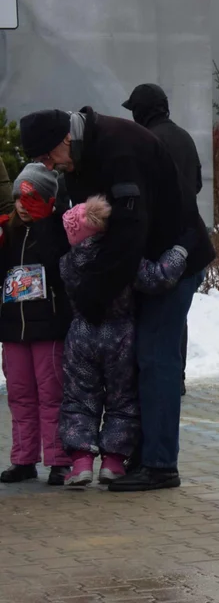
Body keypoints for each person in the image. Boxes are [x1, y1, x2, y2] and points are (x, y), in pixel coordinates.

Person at [18, 107, 215, 491]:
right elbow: (89, 229)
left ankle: (160, 465)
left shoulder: (117, 148)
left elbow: (128, 230)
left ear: (64, 140)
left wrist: (96, 293)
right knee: (142, 361)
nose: (49, 166)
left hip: (174, 259)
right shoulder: (83, 154)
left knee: (155, 358)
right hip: (143, 263)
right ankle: (141, 456)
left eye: (47, 157)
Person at [57, 196, 191, 486]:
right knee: (123, 400)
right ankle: (113, 462)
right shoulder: (120, 258)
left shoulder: (67, 263)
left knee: (79, 399)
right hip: (119, 336)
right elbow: (158, 278)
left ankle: (80, 463)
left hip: (80, 335)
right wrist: (179, 252)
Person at [122, 83, 205, 397]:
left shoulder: (148, 140)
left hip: (158, 243)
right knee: (176, 316)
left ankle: (161, 381)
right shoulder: (183, 136)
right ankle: (177, 376)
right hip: (189, 240)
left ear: (142, 111)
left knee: (156, 319)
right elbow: (195, 183)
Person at [0, 164, 72, 486]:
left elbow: (61, 271)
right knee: (19, 395)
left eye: (30, 199)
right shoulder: (10, 232)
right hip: (14, 329)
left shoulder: (57, 230)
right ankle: (23, 459)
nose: (21, 206)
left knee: (51, 393)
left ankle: (58, 459)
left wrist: (45, 224)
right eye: (18, 198)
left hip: (48, 328)